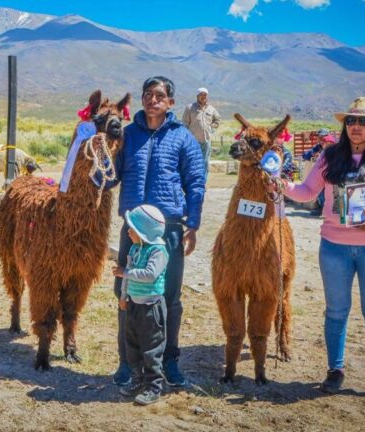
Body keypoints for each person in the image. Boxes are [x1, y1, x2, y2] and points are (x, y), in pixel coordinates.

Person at [274, 97, 365, 405]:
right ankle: (335, 370)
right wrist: (282, 185)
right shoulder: (330, 156)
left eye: (364, 121)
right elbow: (307, 191)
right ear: (344, 124)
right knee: (336, 312)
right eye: (351, 121)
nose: (356, 127)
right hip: (334, 248)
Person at [109, 76, 206, 388]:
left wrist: (193, 224)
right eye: (148, 94)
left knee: (168, 295)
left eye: (159, 95)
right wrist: (94, 157)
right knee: (126, 292)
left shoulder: (182, 138)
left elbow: (195, 182)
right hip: (134, 228)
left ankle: (168, 361)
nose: (153, 100)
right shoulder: (128, 136)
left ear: (171, 102)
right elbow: (111, 176)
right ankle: (127, 362)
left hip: (170, 229)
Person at [112, 205, 169, 406]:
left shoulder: (158, 252)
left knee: (151, 348)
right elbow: (127, 272)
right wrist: (123, 295)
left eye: (132, 229)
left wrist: (125, 273)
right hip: (133, 306)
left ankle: (154, 386)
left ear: (144, 232)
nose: (128, 232)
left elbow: (150, 274)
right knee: (133, 346)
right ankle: (136, 380)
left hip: (151, 309)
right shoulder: (135, 248)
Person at [181, 87, 220, 184]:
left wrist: (211, 128)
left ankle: (202, 183)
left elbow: (217, 120)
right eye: (201, 95)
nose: (203, 97)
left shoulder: (211, 109)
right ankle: (191, 183)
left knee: (205, 163)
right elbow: (185, 123)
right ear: (197, 96)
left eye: (205, 95)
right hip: (192, 141)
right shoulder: (190, 108)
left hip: (206, 141)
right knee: (192, 162)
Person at [302, 128, 338, 215]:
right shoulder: (319, 146)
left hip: (336, 174)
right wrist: (313, 154)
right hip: (323, 174)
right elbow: (305, 155)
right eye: (319, 137)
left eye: (323, 136)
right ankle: (321, 207)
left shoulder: (337, 144)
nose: (321, 139)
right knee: (319, 188)